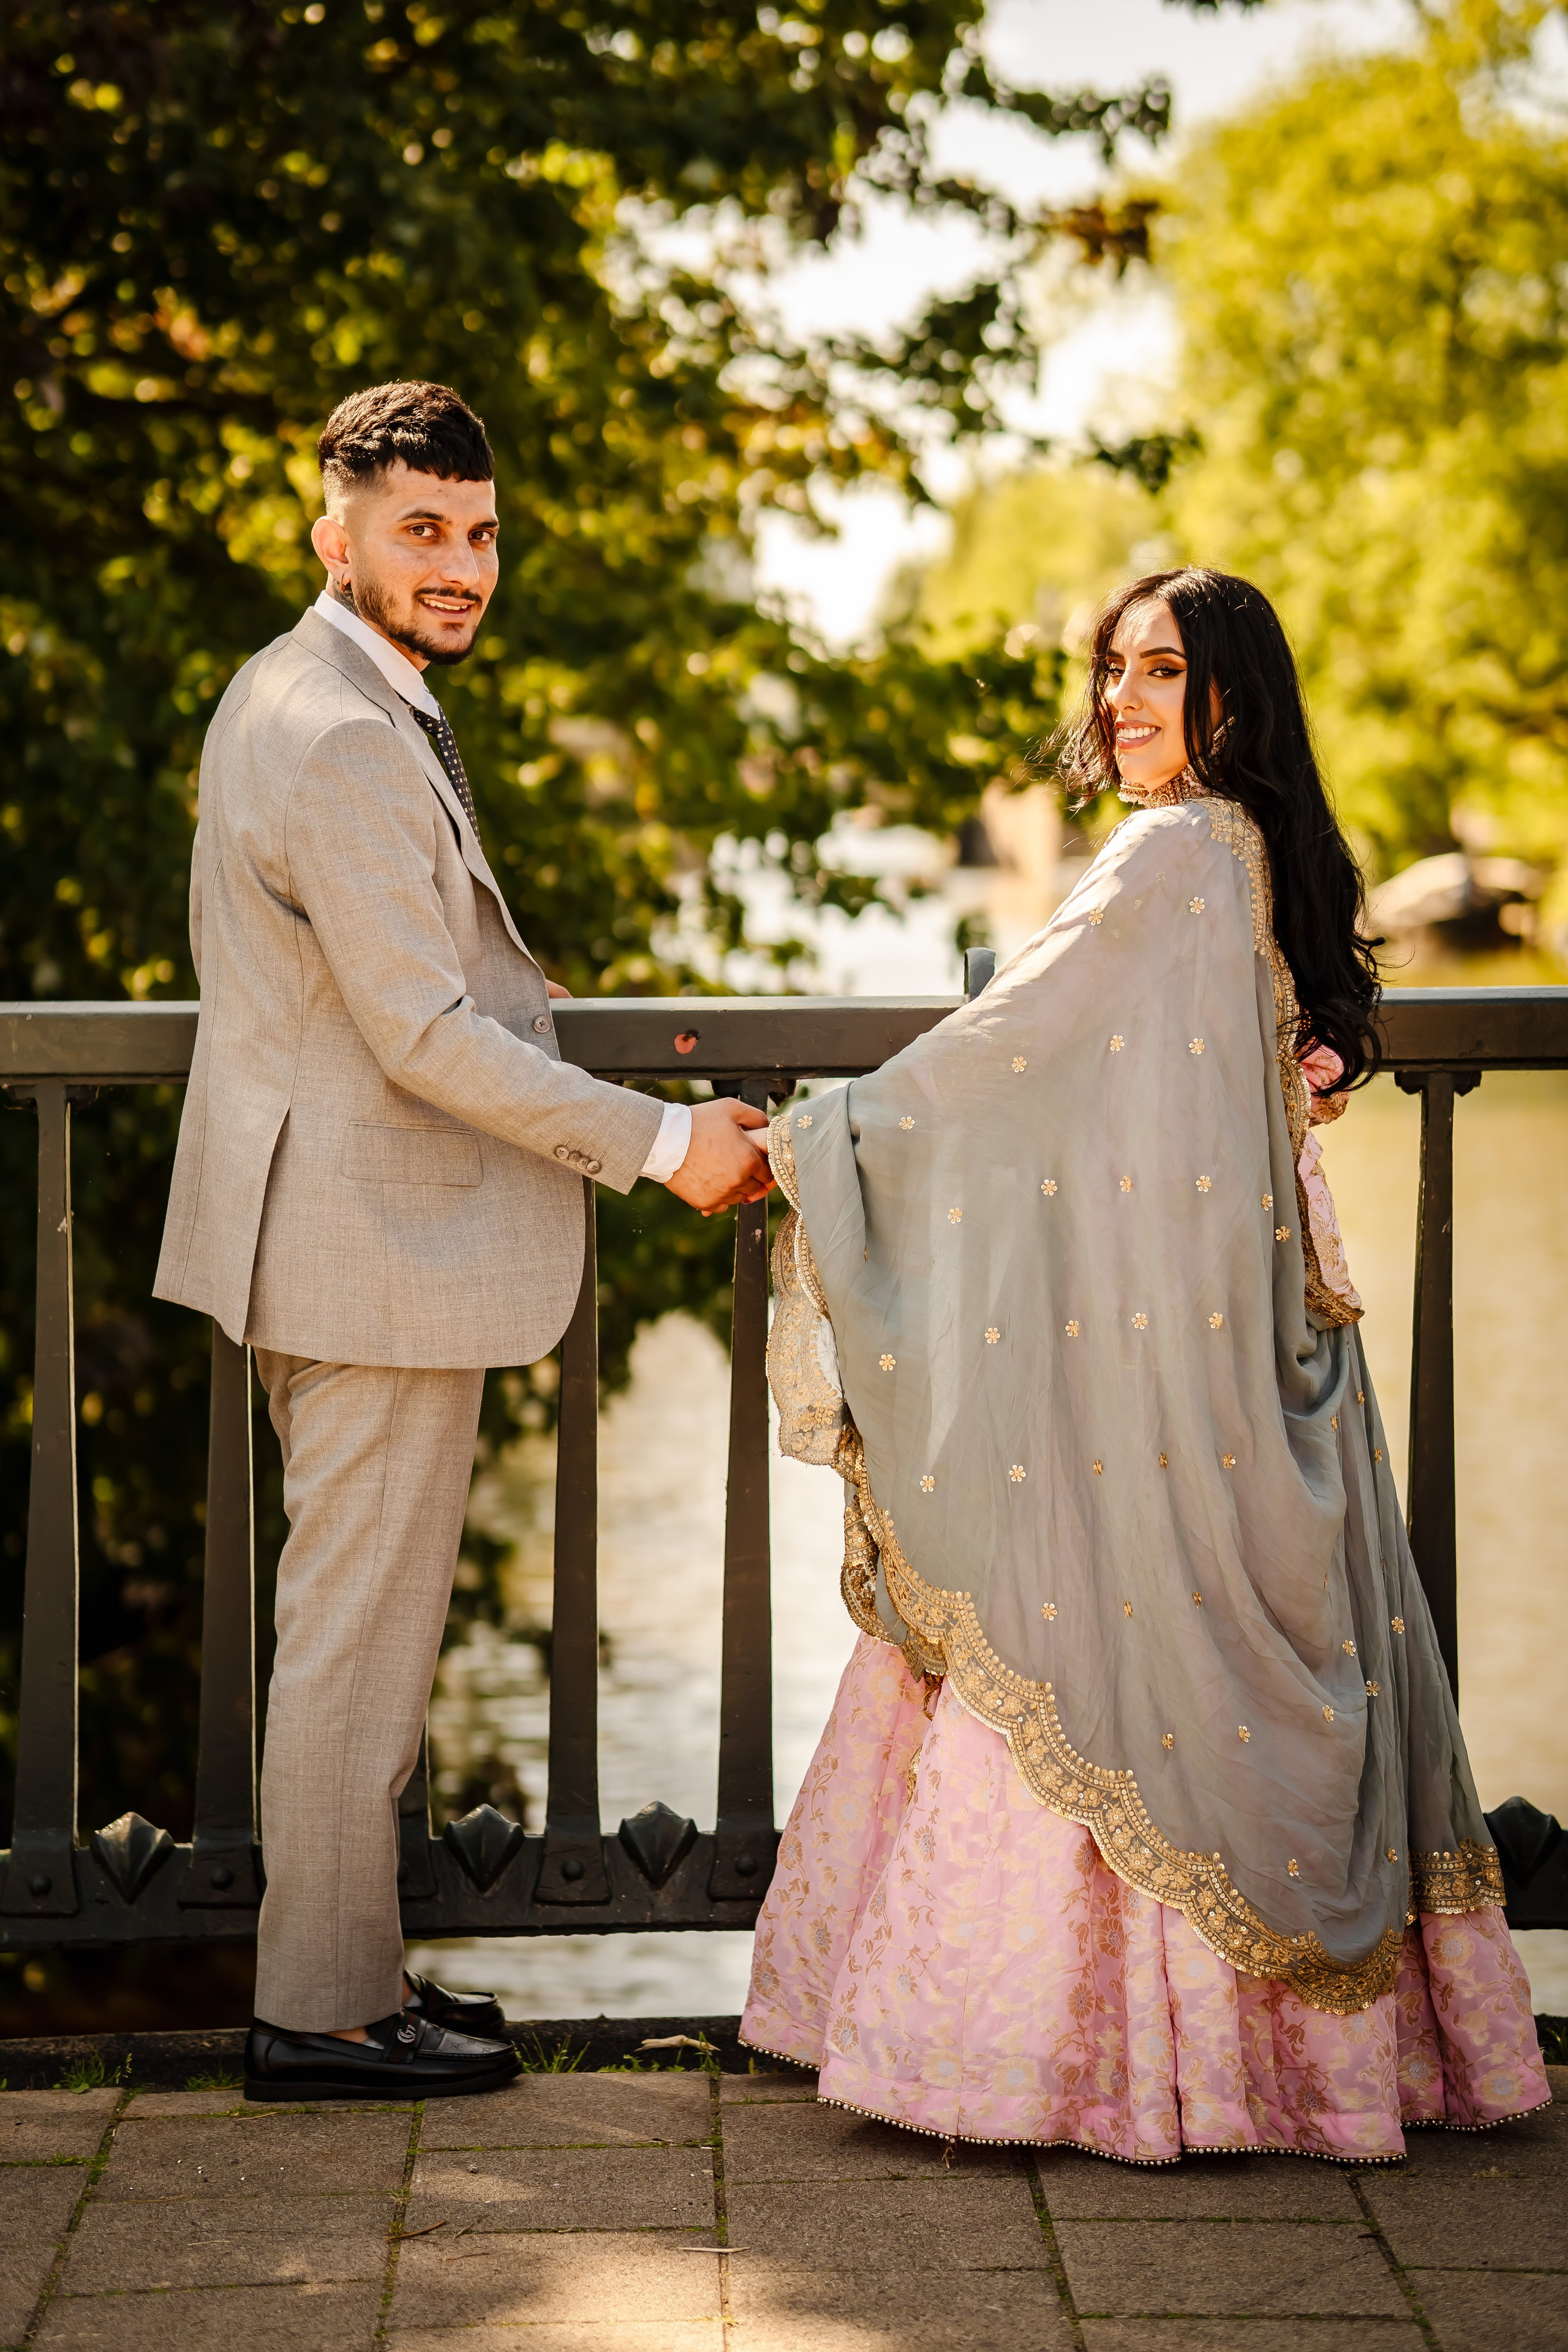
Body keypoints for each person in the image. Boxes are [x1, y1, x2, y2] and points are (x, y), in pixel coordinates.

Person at [745, 567, 1549, 2162]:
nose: (1123, 700)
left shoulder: (1166, 853)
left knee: (1114, 1630)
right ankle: (1310, 2063)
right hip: (1257, 1325)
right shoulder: (1256, 852)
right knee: (1260, 1650)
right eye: (1113, 669)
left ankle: (1078, 2060)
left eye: (1162, 672)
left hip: (1180, 1337)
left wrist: (819, 1139)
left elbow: (1005, 1052)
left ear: (1231, 700)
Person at [155, 380, 772, 2103]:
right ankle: (325, 2019)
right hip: (360, 1239)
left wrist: (509, 988)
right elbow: (416, 1038)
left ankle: (349, 1980)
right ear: (331, 529)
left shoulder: (310, 688)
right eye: (421, 529)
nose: (461, 564)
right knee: (357, 1635)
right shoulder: (346, 727)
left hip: (340, 1220)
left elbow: (379, 974)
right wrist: (662, 1142)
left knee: (365, 1625)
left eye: (480, 532)